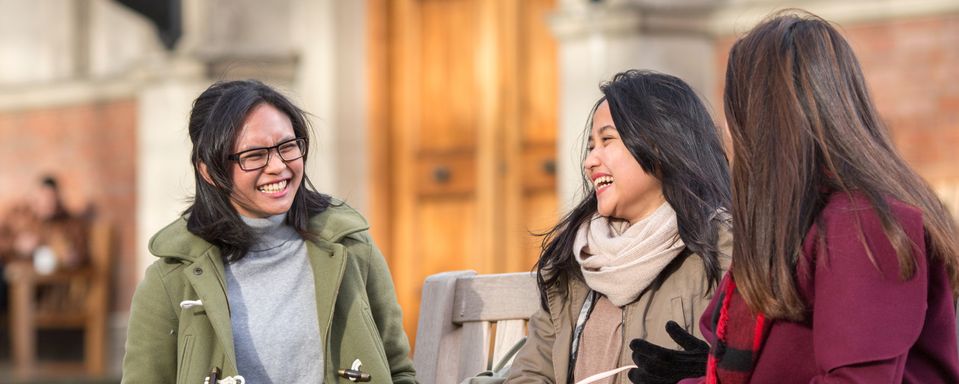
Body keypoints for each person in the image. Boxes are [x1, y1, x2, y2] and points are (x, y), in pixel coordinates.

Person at [640, 11, 959, 384]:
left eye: (733, 107)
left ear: (761, 119)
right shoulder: (796, 224)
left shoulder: (862, 225)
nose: (727, 130)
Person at [121, 80, 417, 383]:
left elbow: (397, 370)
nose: (278, 166)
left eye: (287, 146)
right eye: (254, 155)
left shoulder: (351, 248)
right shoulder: (171, 280)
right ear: (209, 171)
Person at [505, 70, 733, 384]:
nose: (590, 161)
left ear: (661, 144)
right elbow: (530, 374)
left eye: (607, 140)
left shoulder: (724, 254)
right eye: (590, 146)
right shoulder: (575, 262)